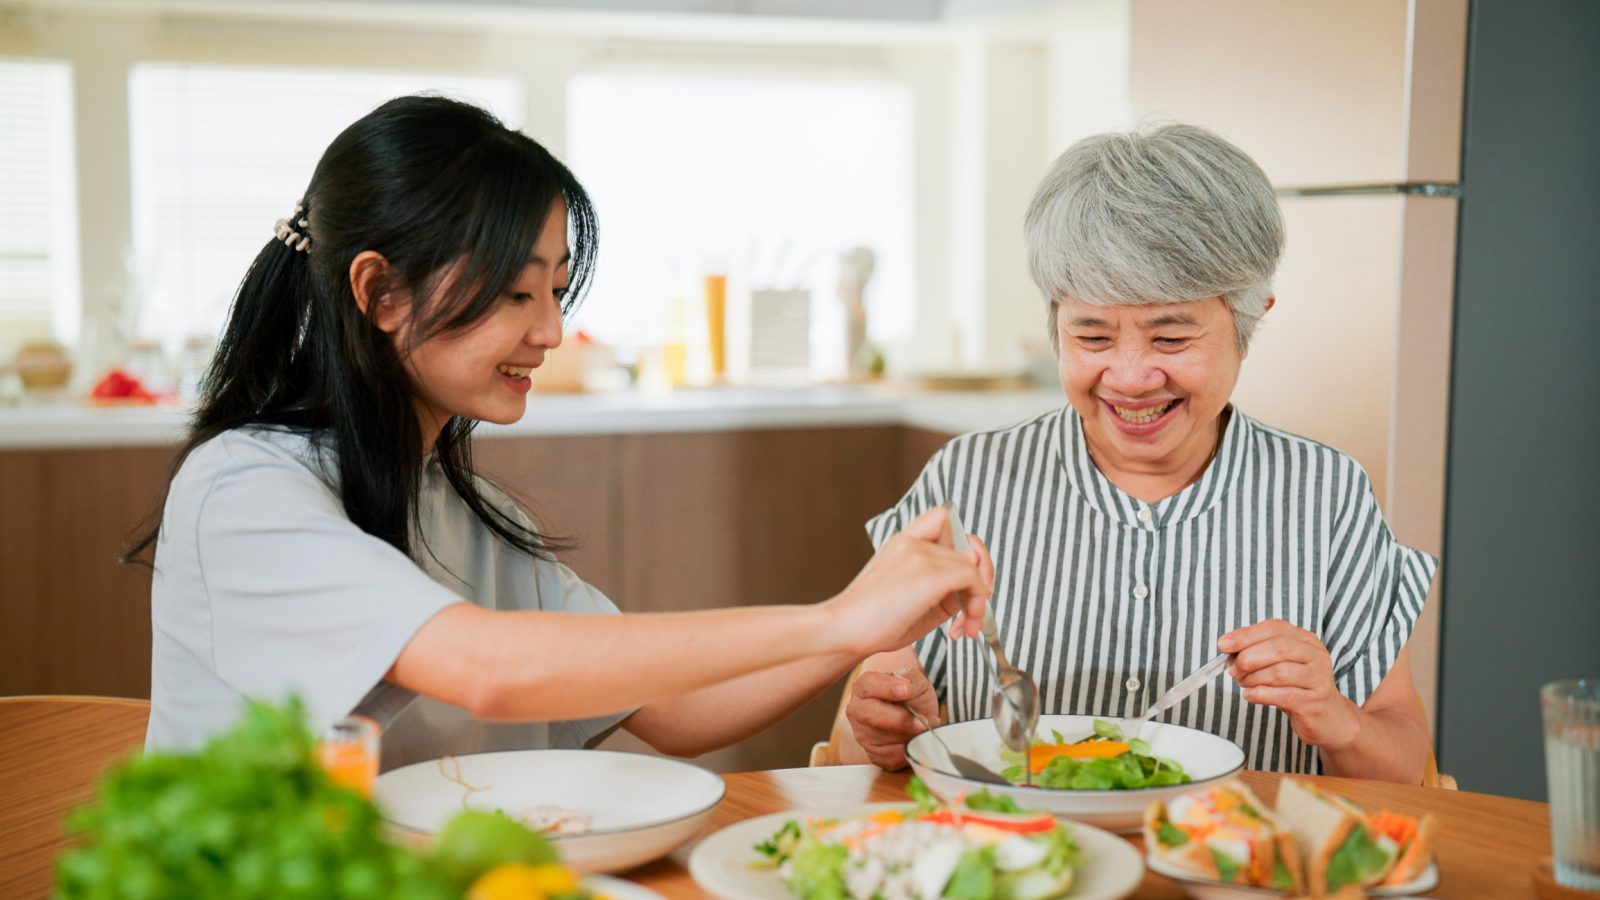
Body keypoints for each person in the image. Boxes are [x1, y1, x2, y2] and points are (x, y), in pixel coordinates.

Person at [129, 95, 993, 768]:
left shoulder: (476, 517)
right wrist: (840, 621)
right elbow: (488, 669)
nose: (551, 330)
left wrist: (871, 610)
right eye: (517, 292)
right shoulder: (243, 492)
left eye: (557, 290)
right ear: (380, 293)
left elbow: (677, 708)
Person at [839, 124, 1437, 783]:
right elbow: (852, 741)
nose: (1128, 377)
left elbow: (1406, 769)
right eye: (1091, 336)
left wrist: (1336, 717)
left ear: (1248, 323)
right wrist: (880, 726)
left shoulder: (1327, 496)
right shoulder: (964, 482)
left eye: (1171, 338)